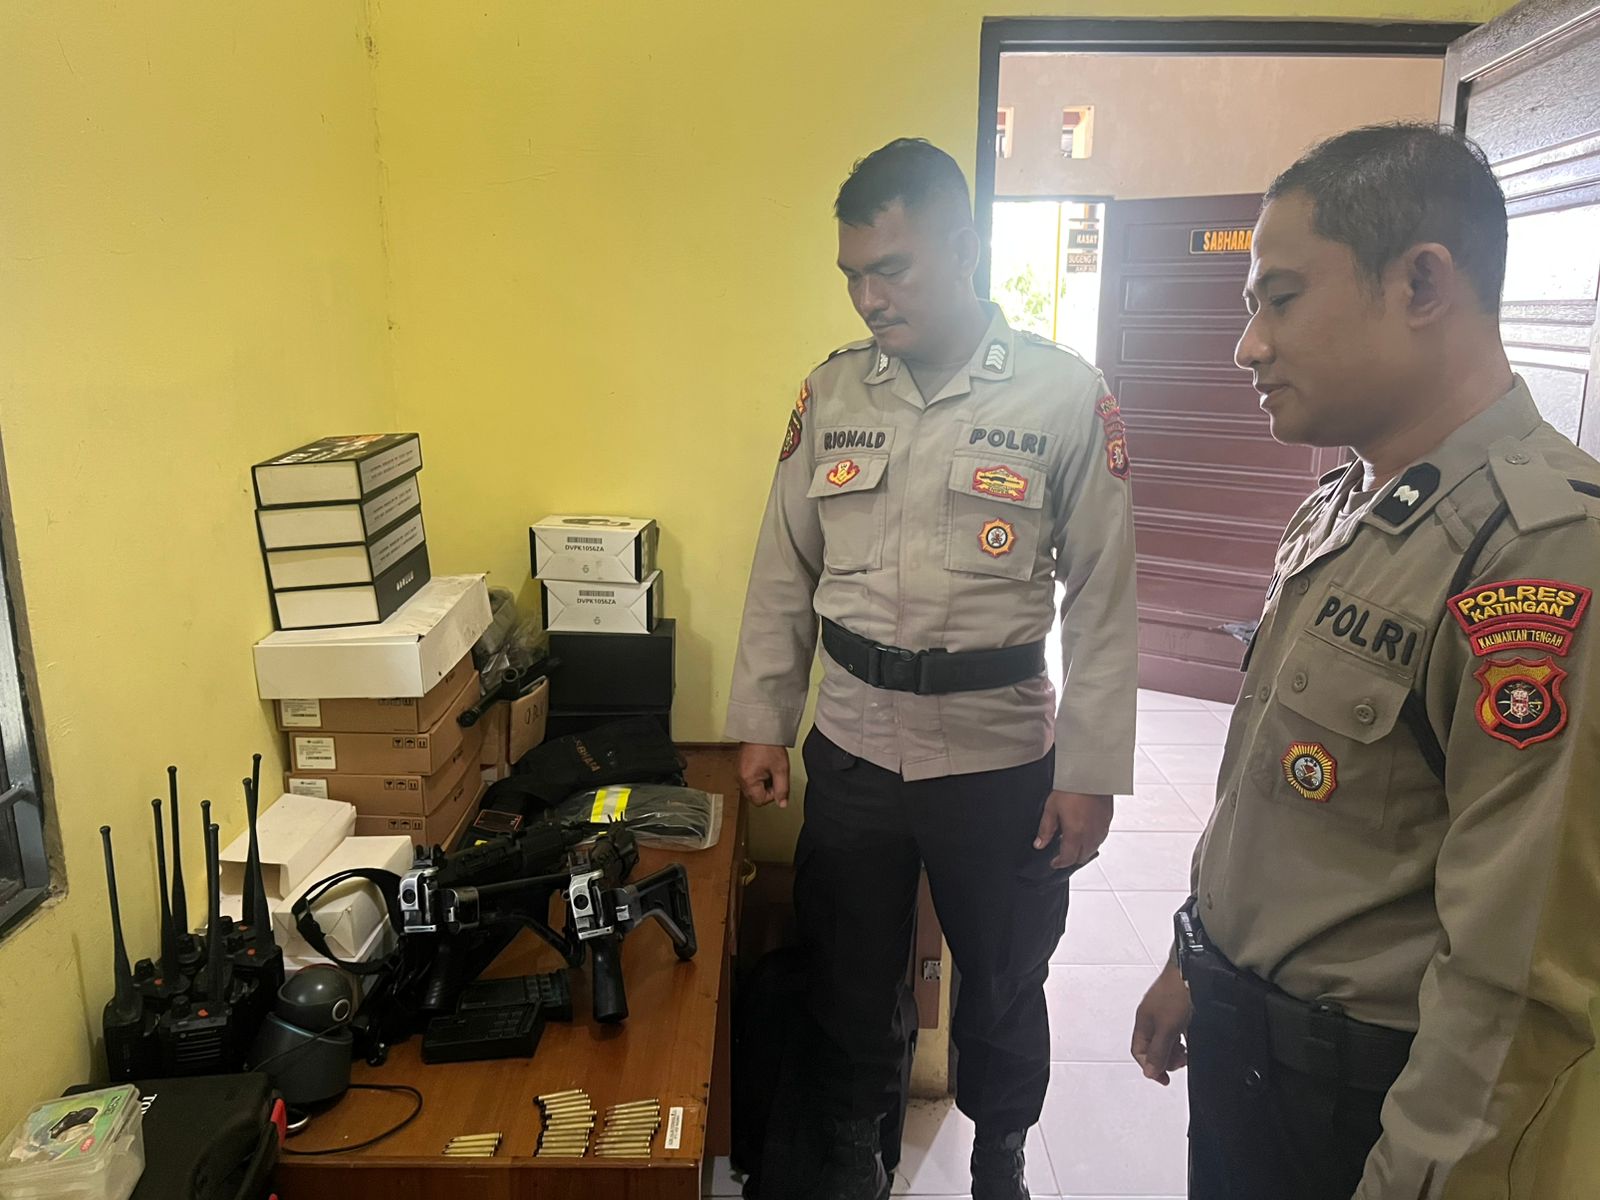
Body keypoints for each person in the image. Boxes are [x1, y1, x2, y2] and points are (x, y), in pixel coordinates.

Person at [1130, 123, 1600, 1199]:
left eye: (1281, 298)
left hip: (1371, 1111)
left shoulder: (1539, 553)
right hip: (1253, 1052)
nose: (1248, 345)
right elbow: (1273, 797)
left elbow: (1518, 985)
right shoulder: (1349, 504)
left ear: (1422, 283)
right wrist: (1195, 955)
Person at [726, 138, 1138, 1200]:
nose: (869, 296)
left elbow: (1103, 600)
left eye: (891, 269)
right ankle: (851, 1160)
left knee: (1003, 981)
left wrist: (1090, 772)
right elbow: (783, 568)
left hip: (998, 756)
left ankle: (1000, 1158)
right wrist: (763, 717)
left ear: (963, 249)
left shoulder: (1063, 396)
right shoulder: (831, 394)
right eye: (852, 275)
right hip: (855, 744)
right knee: (844, 977)